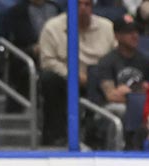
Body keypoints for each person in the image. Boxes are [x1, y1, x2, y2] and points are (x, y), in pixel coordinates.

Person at [38, 0, 116, 146]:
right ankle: (55, 136)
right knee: (49, 79)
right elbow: (47, 61)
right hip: (65, 78)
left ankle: (97, 137)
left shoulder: (106, 26)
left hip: (98, 78)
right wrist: (72, 75)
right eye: (79, 4)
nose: (83, 9)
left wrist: (99, 77)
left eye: (87, 5)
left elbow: (114, 57)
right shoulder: (52, 27)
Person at [95, 15, 149, 118]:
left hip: (141, 106)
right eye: (129, 32)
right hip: (111, 110)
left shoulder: (147, 61)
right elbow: (111, 96)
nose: (135, 35)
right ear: (117, 36)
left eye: (136, 31)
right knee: (122, 110)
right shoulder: (107, 62)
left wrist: (129, 93)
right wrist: (140, 93)